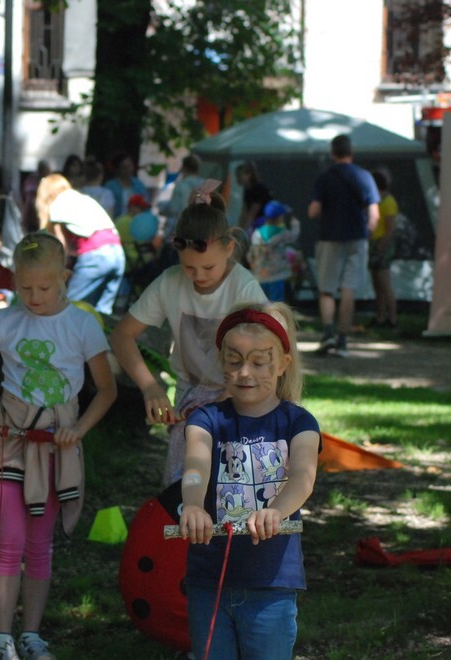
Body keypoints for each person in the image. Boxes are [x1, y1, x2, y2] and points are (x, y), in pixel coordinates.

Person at [0, 232, 117, 660]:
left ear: (65, 277)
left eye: (44, 288)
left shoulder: (83, 325)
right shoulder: (4, 321)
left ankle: (31, 633)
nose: (33, 296)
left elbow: (105, 390)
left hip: (55, 445)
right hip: (10, 442)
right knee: (8, 539)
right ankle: (1, 636)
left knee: (39, 544)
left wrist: (79, 430)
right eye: (25, 287)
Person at [179, 303, 321, 660]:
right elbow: (196, 466)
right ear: (222, 360)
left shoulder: (299, 422)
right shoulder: (206, 420)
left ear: (282, 364)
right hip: (208, 581)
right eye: (234, 360)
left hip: (271, 583)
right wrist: (193, 504)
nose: (245, 372)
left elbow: (303, 478)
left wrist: (276, 511)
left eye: (259, 362)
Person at [109, 183, 268, 486]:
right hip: (189, 396)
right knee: (183, 489)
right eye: (188, 267)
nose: (199, 276)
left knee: (232, 491)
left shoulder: (243, 288)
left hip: (241, 395)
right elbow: (122, 336)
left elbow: (269, 351)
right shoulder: (170, 282)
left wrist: (230, 395)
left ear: (229, 248)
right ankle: (188, 535)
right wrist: (150, 387)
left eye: (208, 266)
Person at [307, 134, 379, 356]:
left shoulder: (326, 177)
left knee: (327, 288)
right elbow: (374, 215)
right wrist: (367, 234)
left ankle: (327, 333)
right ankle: (343, 340)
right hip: (357, 238)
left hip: (330, 238)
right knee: (349, 289)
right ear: (351, 152)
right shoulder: (365, 176)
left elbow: (313, 211)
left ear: (333, 153)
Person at [36, 173, 126, 315]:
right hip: (118, 253)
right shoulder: (84, 199)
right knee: (101, 312)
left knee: (67, 309)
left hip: (96, 255)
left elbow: (61, 248)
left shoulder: (57, 204)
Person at [248, 200, 301, 302]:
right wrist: (295, 223)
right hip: (277, 275)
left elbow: (251, 254)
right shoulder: (283, 233)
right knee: (276, 305)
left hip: (260, 275)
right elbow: (294, 235)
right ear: (280, 217)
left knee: (261, 304)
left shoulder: (257, 233)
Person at [369, 170, 398, 328]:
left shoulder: (389, 202)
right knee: (377, 285)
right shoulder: (377, 201)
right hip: (374, 243)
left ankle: (392, 319)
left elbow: (390, 228)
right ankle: (380, 317)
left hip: (382, 245)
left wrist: (381, 247)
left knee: (385, 284)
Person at [103, 151, 149, 217]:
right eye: (124, 167)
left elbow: (146, 204)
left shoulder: (139, 184)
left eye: (130, 166)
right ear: (118, 169)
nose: (128, 170)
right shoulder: (110, 186)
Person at [234, 161, 272, 232]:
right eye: (237, 176)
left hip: (265, 222)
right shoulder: (247, 190)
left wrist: (243, 233)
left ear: (249, 175)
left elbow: (252, 214)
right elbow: (244, 213)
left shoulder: (259, 189)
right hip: (256, 222)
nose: (238, 178)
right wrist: (237, 230)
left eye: (239, 175)